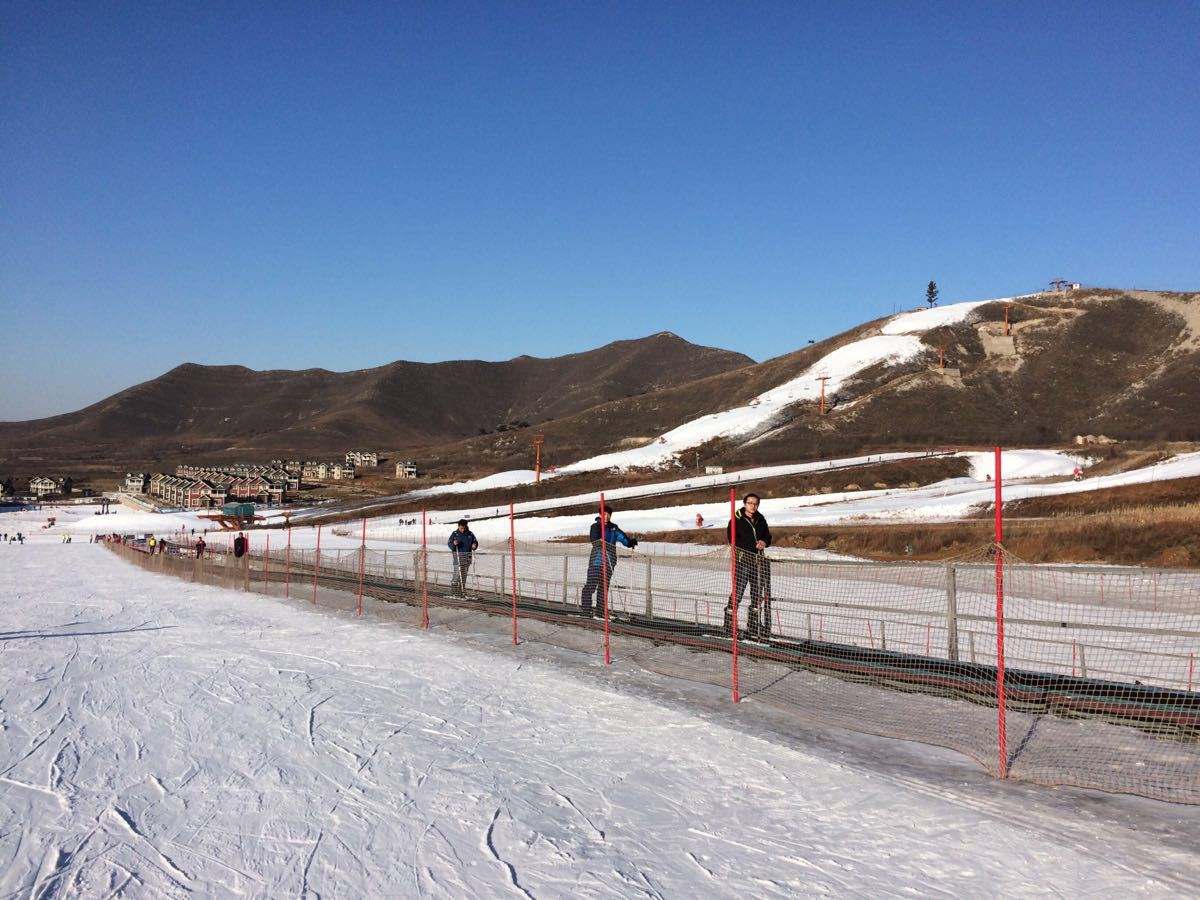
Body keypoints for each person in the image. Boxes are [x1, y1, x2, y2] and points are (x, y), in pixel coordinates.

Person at [723, 493, 773, 640]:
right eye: (750, 503)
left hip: (758, 561)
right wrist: (752, 545)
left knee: (757, 594)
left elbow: (768, 536)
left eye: (756, 503)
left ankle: (753, 625)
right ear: (745, 504)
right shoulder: (736, 520)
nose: (753, 506)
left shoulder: (761, 519)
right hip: (743, 560)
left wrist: (764, 542)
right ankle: (729, 624)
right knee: (738, 592)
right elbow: (732, 540)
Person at [581, 506, 637, 617]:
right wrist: (599, 541)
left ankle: (600, 611)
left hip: (609, 562)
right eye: (604, 514)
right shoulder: (596, 526)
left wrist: (630, 542)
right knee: (591, 585)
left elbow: (622, 538)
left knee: (604, 588)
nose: (606, 516)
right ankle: (586, 610)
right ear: (600, 515)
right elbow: (594, 539)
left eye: (608, 514)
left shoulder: (614, 528)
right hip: (596, 561)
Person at [447, 519, 478, 596]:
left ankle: (461, 590)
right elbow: (450, 543)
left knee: (464, 575)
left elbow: (475, 541)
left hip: (467, 558)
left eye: (464, 528)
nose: (463, 530)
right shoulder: (455, 534)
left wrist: (474, 545)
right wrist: (454, 544)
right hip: (458, 558)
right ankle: (454, 591)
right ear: (458, 526)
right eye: (461, 528)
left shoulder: (470, 534)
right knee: (457, 574)